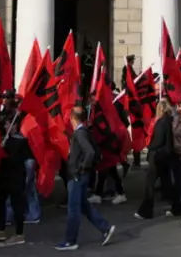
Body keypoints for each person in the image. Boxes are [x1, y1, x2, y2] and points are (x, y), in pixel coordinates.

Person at [55, 105, 115, 251]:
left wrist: (80, 168)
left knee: (74, 209)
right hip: (81, 175)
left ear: (72, 118)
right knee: (84, 206)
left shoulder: (80, 133)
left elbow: (89, 152)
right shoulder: (85, 131)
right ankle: (105, 227)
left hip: (77, 176)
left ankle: (71, 240)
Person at [0, 112, 28, 245]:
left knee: (17, 205)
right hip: (5, 177)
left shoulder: (20, 141)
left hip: (15, 178)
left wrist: (4, 149)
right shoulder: (7, 139)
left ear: (15, 125)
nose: (6, 127)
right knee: (0, 202)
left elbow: (14, 159)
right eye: (5, 124)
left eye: (8, 124)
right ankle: (1, 229)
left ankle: (19, 234)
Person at [134, 100, 177, 220]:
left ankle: (146, 211)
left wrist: (150, 146)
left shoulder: (161, 122)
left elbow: (158, 140)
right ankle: (176, 207)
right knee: (166, 182)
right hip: (165, 155)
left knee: (150, 183)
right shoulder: (169, 121)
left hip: (158, 155)